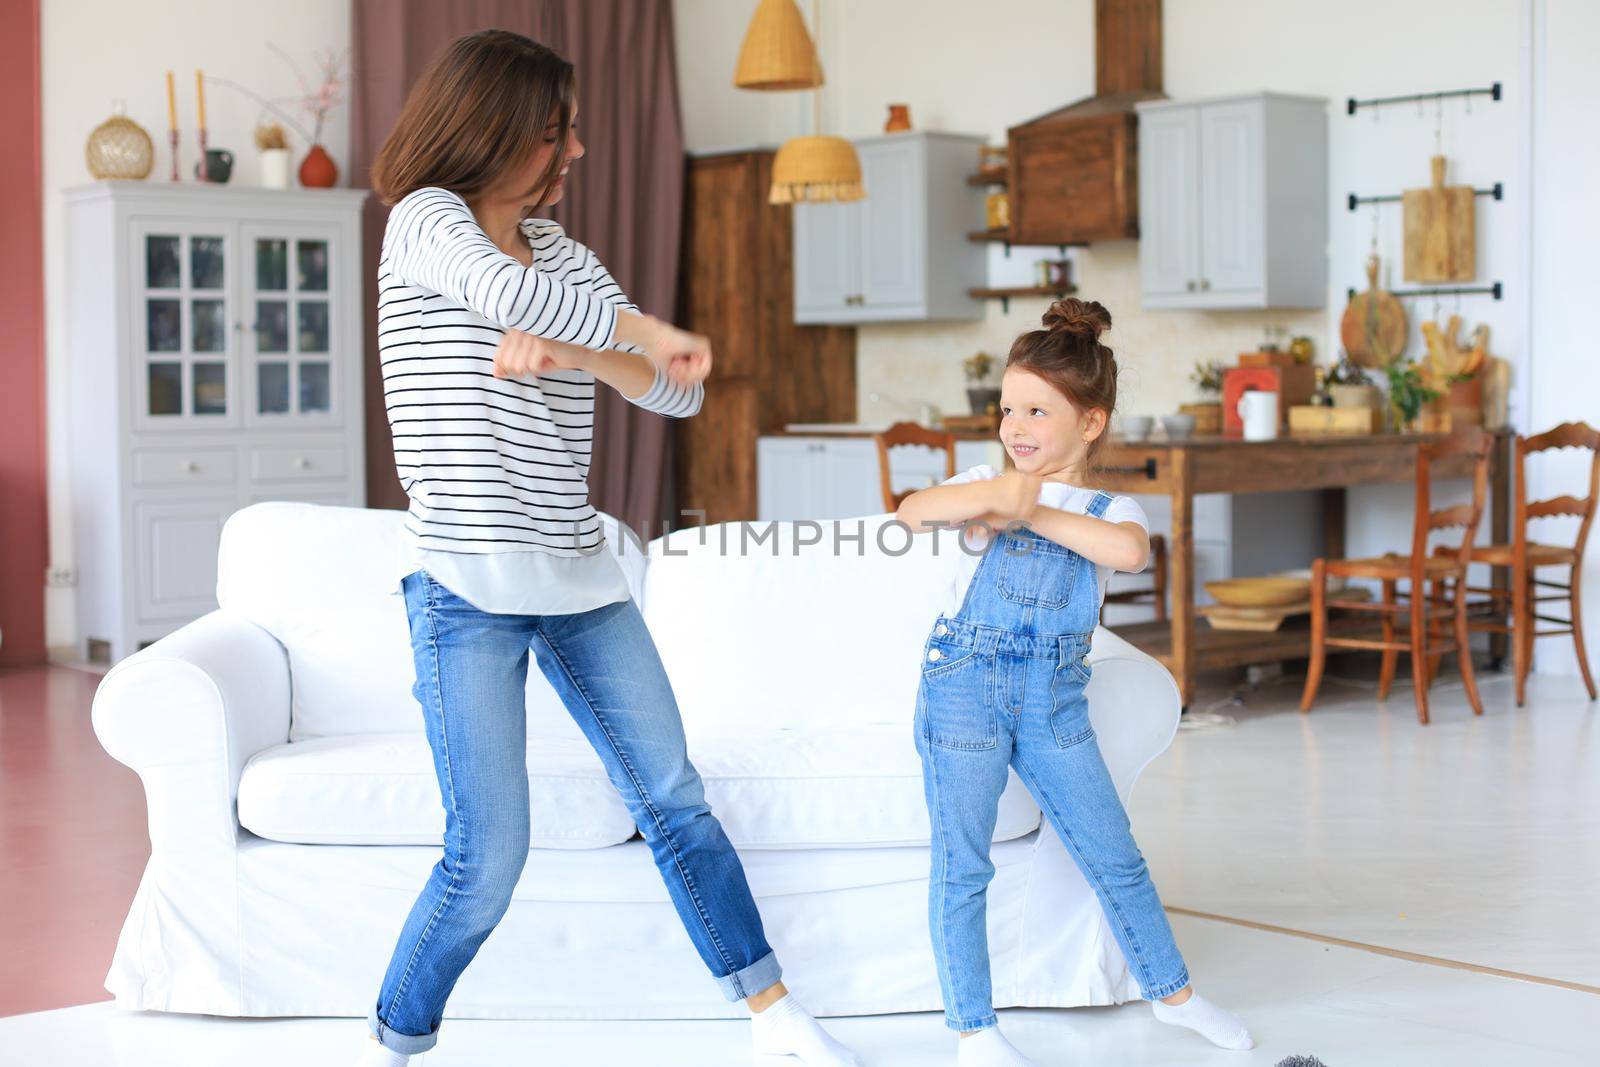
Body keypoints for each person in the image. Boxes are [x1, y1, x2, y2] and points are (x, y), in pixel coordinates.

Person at [357, 29, 861, 1067]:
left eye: (575, 129)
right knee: (486, 854)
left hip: (583, 577)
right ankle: (394, 1041)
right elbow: (524, 304)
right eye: (555, 131)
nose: (574, 150)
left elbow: (679, 386)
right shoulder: (423, 223)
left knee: (672, 795)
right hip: (465, 586)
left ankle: (774, 1014)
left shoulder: (570, 260)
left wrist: (600, 345)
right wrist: (634, 334)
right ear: (491, 129)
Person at [895, 299, 1253, 1066]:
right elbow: (911, 509)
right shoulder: (982, 483)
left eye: (1036, 410)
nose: (1015, 426)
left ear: (1090, 423)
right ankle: (973, 1030)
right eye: (1007, 409)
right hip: (964, 686)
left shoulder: (1106, 507)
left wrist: (1030, 509)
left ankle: (1173, 994)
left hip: (1054, 699)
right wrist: (993, 497)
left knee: (1112, 851)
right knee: (963, 863)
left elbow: (1127, 553)